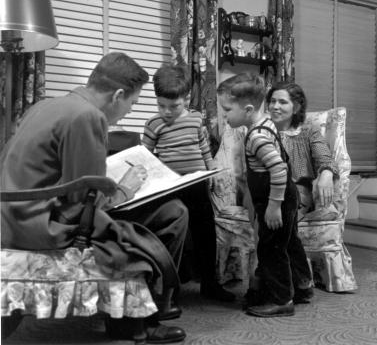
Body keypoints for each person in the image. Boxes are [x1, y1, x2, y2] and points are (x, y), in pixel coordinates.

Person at [0, 52, 189, 343]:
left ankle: (135, 315)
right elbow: (82, 198)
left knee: (158, 214)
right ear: (118, 95)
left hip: (13, 216)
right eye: (132, 104)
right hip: (43, 225)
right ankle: (141, 321)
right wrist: (125, 188)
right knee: (173, 212)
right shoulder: (88, 116)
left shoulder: (47, 105)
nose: (128, 112)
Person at [217, 72, 312, 317]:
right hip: (284, 198)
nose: (224, 115)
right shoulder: (267, 123)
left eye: (227, 110)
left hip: (277, 200)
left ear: (248, 109)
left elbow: (279, 169)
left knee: (271, 250)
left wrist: (273, 207)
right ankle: (302, 285)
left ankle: (282, 300)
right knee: (288, 242)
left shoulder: (256, 136)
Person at [142, 64, 235, 302]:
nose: (167, 111)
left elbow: (204, 149)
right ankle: (170, 289)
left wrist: (212, 170)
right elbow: (146, 157)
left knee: (205, 233)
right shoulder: (154, 124)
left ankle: (210, 283)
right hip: (170, 188)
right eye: (161, 105)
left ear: (186, 99)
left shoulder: (195, 120)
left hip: (196, 185)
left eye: (174, 106)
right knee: (175, 236)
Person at [266, 81, 338, 220]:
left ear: (296, 107)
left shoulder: (309, 132)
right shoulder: (262, 132)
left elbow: (325, 160)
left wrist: (327, 173)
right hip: (268, 192)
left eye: (282, 102)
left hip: (298, 194)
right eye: (272, 101)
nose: (275, 106)